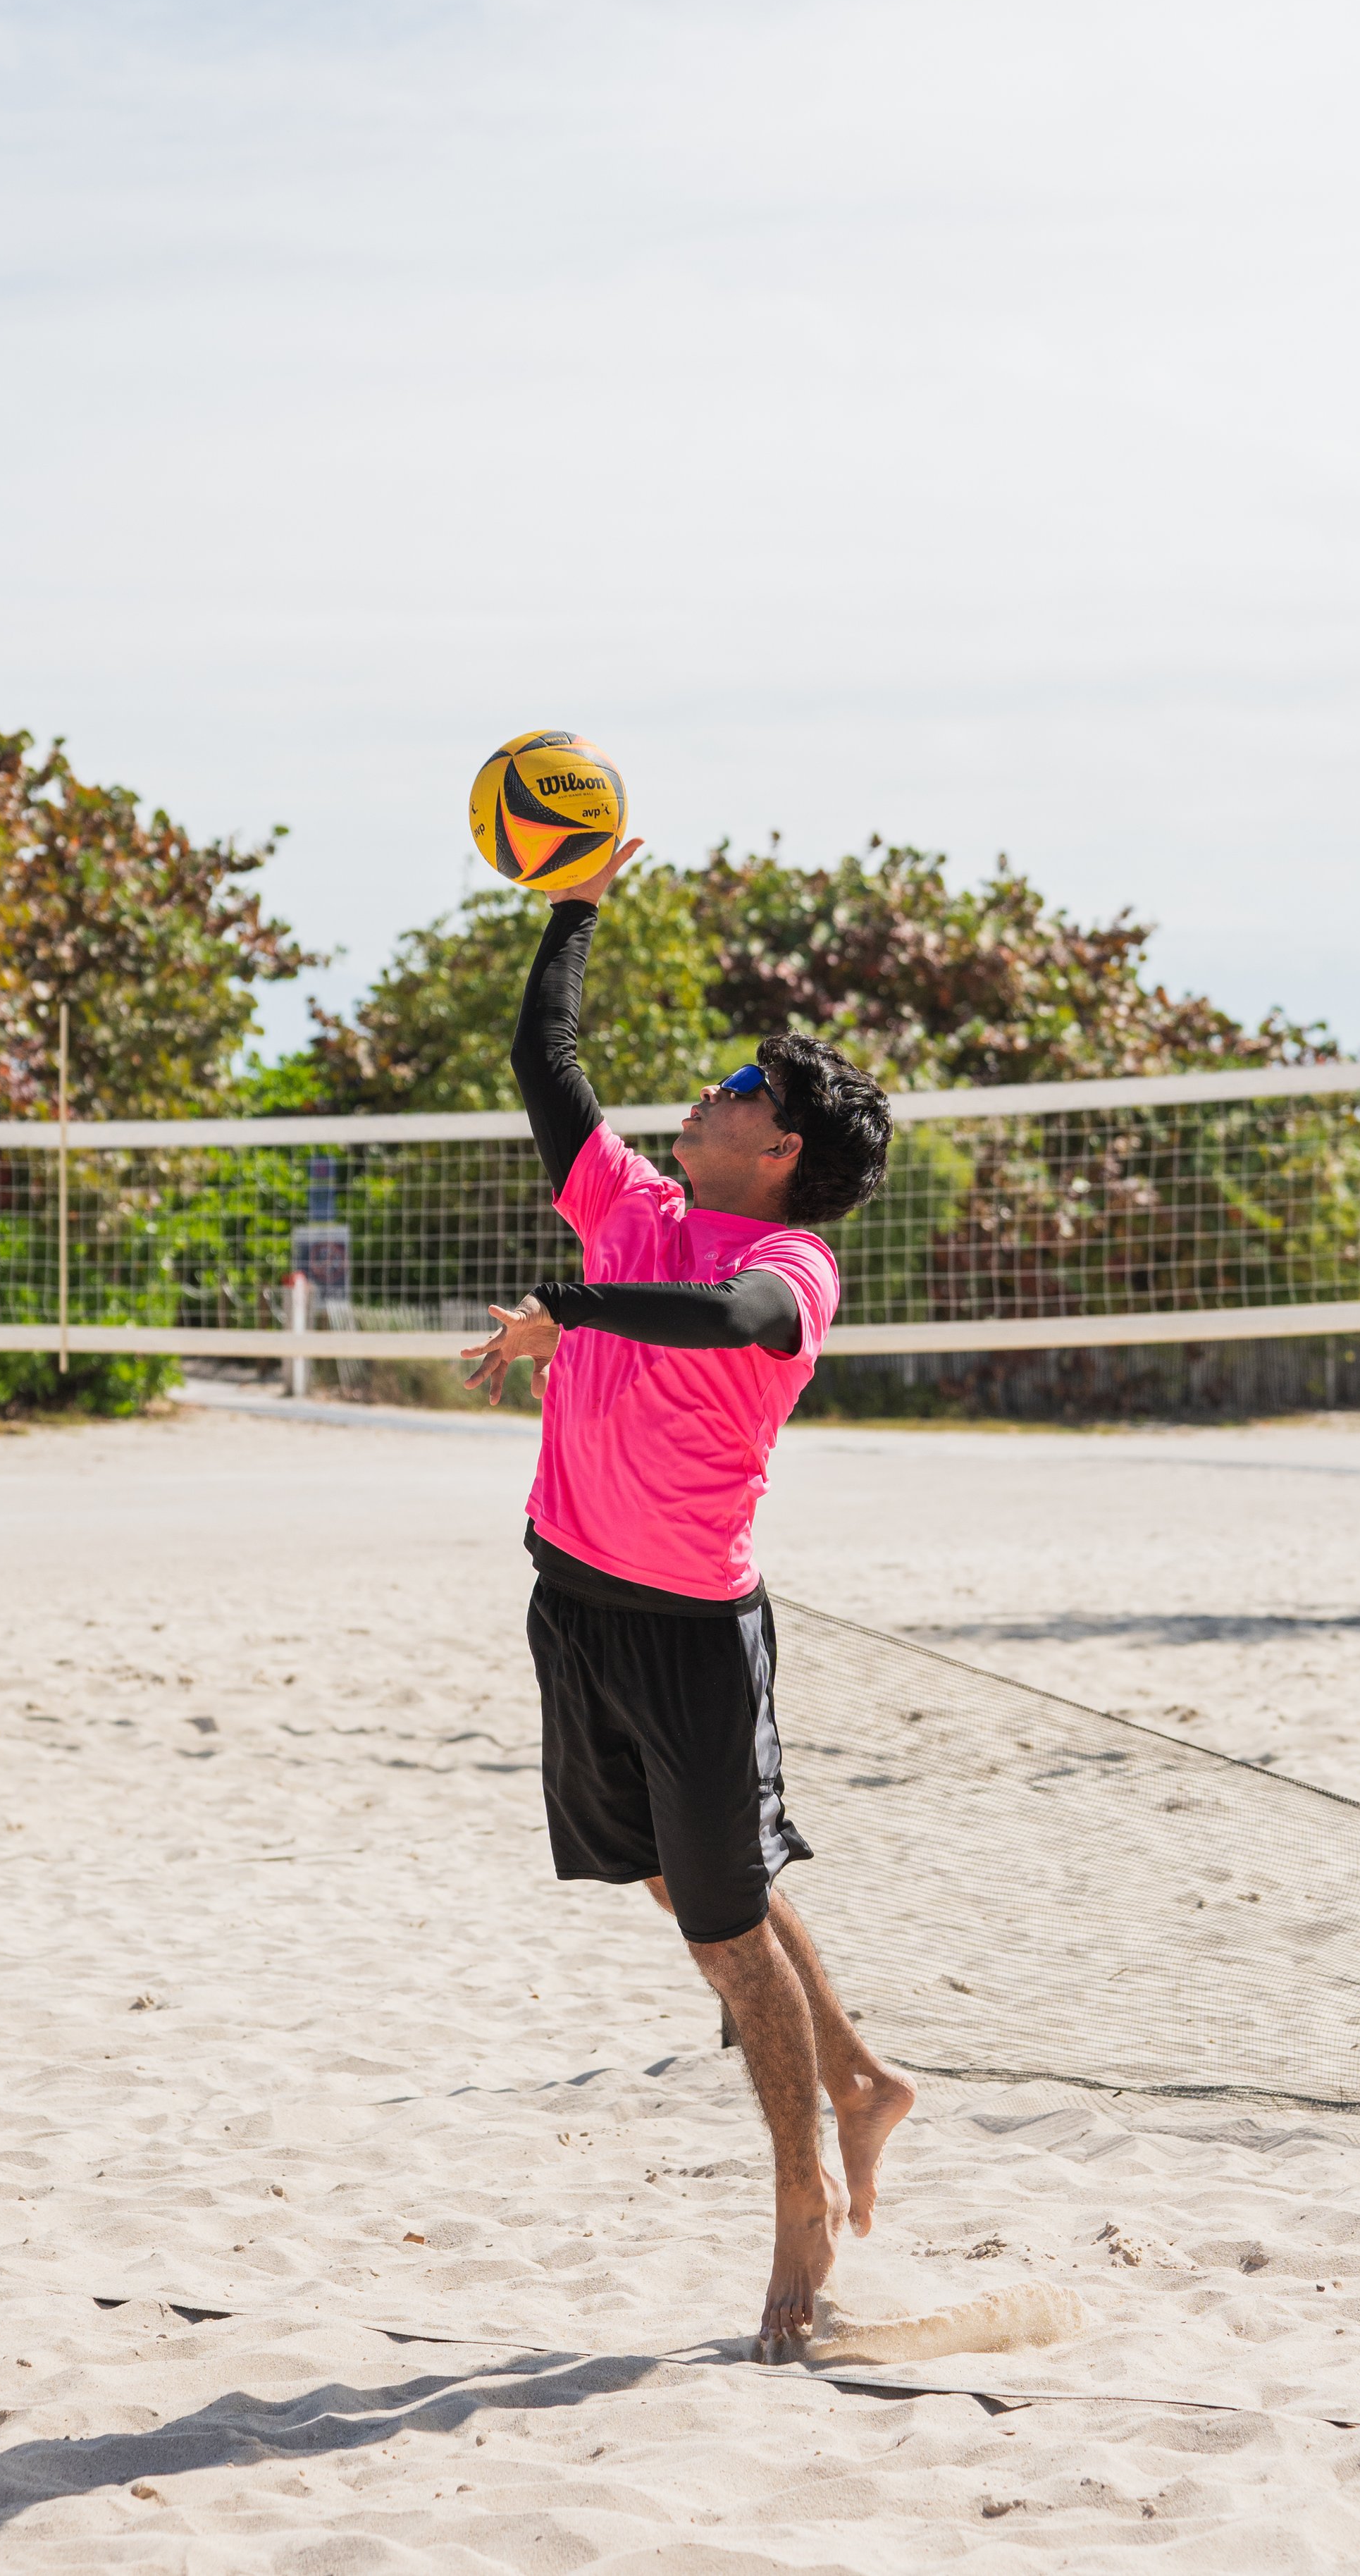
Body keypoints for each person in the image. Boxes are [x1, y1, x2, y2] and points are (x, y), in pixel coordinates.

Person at [462, 834, 915, 2353]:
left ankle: (802, 2195)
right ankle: (856, 2072)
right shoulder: (631, 1201)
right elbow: (543, 1056)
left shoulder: (787, 1261)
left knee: (721, 1927)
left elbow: (724, 1319)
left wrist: (571, 1306)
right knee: (678, 1884)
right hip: (570, 1602)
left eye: (742, 1090)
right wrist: (571, 904)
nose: (713, 1090)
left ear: (777, 1149)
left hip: (691, 1635)